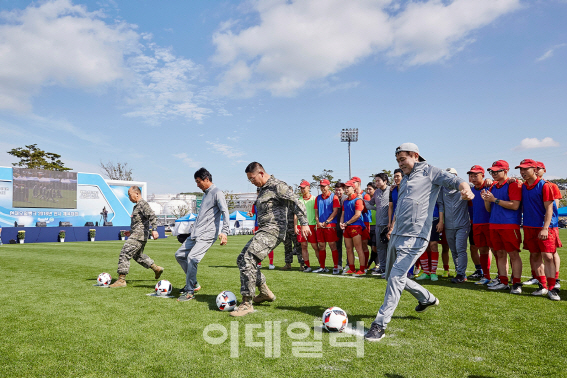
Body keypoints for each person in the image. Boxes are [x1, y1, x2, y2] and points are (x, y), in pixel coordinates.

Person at [365, 143, 474, 342]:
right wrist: (392, 227)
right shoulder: (405, 178)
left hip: (415, 236)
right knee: (392, 276)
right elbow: (402, 206)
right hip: (397, 234)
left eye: (403, 159)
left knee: (396, 277)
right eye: (397, 160)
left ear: (415, 155)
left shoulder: (430, 172)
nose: (400, 164)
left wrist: (466, 190)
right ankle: (427, 298)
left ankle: (379, 324)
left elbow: (456, 180)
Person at [231, 162, 309, 317]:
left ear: (261, 173)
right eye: (249, 180)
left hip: (274, 230)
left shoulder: (278, 186)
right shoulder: (262, 189)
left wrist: (304, 223)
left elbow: (296, 202)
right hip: (263, 229)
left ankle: (246, 303)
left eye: (252, 178)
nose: (251, 182)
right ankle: (265, 292)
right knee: (241, 259)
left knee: (248, 258)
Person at [175, 168, 230, 301]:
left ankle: (189, 291)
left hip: (207, 234)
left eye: (198, 182)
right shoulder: (205, 194)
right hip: (196, 234)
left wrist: (225, 232)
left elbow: (225, 212)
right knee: (180, 255)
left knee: (192, 258)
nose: (197, 185)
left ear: (206, 179)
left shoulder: (217, 193)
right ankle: (194, 283)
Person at [516, 159, 560, 300]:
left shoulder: (545, 186)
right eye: (520, 170)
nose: (522, 172)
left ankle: (553, 288)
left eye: (525, 169)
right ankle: (543, 285)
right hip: (529, 227)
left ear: (535, 170)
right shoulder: (522, 186)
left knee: (548, 256)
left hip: (545, 227)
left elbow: (549, 208)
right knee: (534, 256)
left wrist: (545, 228)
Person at [481, 160, 523, 294]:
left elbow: (515, 205)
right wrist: (487, 200)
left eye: (496, 171)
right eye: (491, 171)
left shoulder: (513, 184)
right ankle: (503, 281)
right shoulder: (493, 187)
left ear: (506, 171)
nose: (493, 173)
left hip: (509, 224)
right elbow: (488, 209)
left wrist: (494, 200)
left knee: (513, 254)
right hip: (494, 224)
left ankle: (516, 283)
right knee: (499, 253)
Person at [109, 186, 164, 288]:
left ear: (137, 194)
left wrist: (155, 230)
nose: (129, 198)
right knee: (137, 256)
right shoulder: (137, 206)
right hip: (137, 234)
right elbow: (140, 223)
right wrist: (130, 231)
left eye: (130, 195)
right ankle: (156, 269)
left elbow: (152, 216)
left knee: (125, 253)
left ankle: (121, 280)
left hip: (138, 236)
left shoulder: (143, 204)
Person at [437, 168, 471, 284]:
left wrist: (487, 179)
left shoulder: (464, 186)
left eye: (452, 176)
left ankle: (461, 274)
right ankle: (459, 272)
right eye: (448, 175)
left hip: (462, 224)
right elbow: (441, 206)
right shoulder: (442, 189)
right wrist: (441, 222)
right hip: (449, 225)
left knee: (461, 249)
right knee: (453, 250)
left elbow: (477, 184)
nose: (450, 178)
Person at [467, 165, 494, 286]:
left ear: (483, 176)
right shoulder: (471, 191)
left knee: (497, 251)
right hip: (476, 224)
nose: (472, 178)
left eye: (475, 175)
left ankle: (501, 276)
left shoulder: (490, 186)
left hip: (490, 223)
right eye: (471, 175)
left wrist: (490, 181)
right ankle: (485, 276)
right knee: (482, 250)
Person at [364, 173, 390, 277]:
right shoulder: (376, 192)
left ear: (385, 181)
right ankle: (382, 268)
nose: (377, 183)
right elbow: (370, 204)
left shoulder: (392, 190)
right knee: (380, 247)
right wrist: (362, 201)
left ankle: (389, 268)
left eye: (379, 180)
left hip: (389, 224)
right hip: (379, 224)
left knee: (390, 248)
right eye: (376, 181)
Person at [340, 180, 367, 276]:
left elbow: (357, 215)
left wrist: (346, 223)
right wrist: (341, 222)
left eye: (348, 187)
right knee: (348, 248)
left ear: (353, 188)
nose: (346, 189)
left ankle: (362, 270)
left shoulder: (358, 200)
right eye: (345, 188)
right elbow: (343, 214)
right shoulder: (345, 201)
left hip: (356, 226)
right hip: (347, 227)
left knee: (358, 248)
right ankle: (351, 268)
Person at [314, 179, 341, 274]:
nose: (322, 188)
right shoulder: (318, 198)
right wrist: (317, 222)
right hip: (320, 226)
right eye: (321, 186)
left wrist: (326, 221)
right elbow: (316, 211)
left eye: (324, 186)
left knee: (332, 246)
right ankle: (322, 267)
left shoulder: (334, 197)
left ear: (328, 186)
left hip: (330, 225)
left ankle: (335, 267)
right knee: (321, 246)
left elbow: (335, 211)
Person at [296, 180, 322, 272]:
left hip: (312, 225)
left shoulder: (314, 199)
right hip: (301, 226)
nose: (302, 190)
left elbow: (317, 213)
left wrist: (317, 223)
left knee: (315, 246)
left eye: (304, 188)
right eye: (301, 188)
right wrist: (295, 226)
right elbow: (295, 214)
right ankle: (307, 266)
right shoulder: (299, 200)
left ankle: (321, 265)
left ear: (309, 188)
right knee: (303, 246)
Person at [248, 189, 275, 270]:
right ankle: (259, 263)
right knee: (257, 245)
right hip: (258, 225)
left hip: (267, 225)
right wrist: (250, 214)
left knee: (269, 244)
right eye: (259, 192)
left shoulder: (269, 202)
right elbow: (253, 214)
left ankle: (271, 263)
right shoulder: (255, 203)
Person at [351, 176, 371, 268]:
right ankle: (354, 265)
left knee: (364, 245)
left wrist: (361, 201)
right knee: (354, 246)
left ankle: (365, 265)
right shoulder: (352, 195)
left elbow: (368, 210)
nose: (352, 184)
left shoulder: (365, 195)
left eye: (353, 182)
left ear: (358, 183)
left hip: (364, 223)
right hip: (354, 224)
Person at [334, 182, 347, 270]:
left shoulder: (346, 199)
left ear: (343, 190)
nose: (338, 192)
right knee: (337, 246)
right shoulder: (333, 199)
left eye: (340, 190)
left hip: (346, 226)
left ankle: (349, 264)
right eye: (336, 190)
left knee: (348, 246)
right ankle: (339, 264)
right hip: (336, 226)